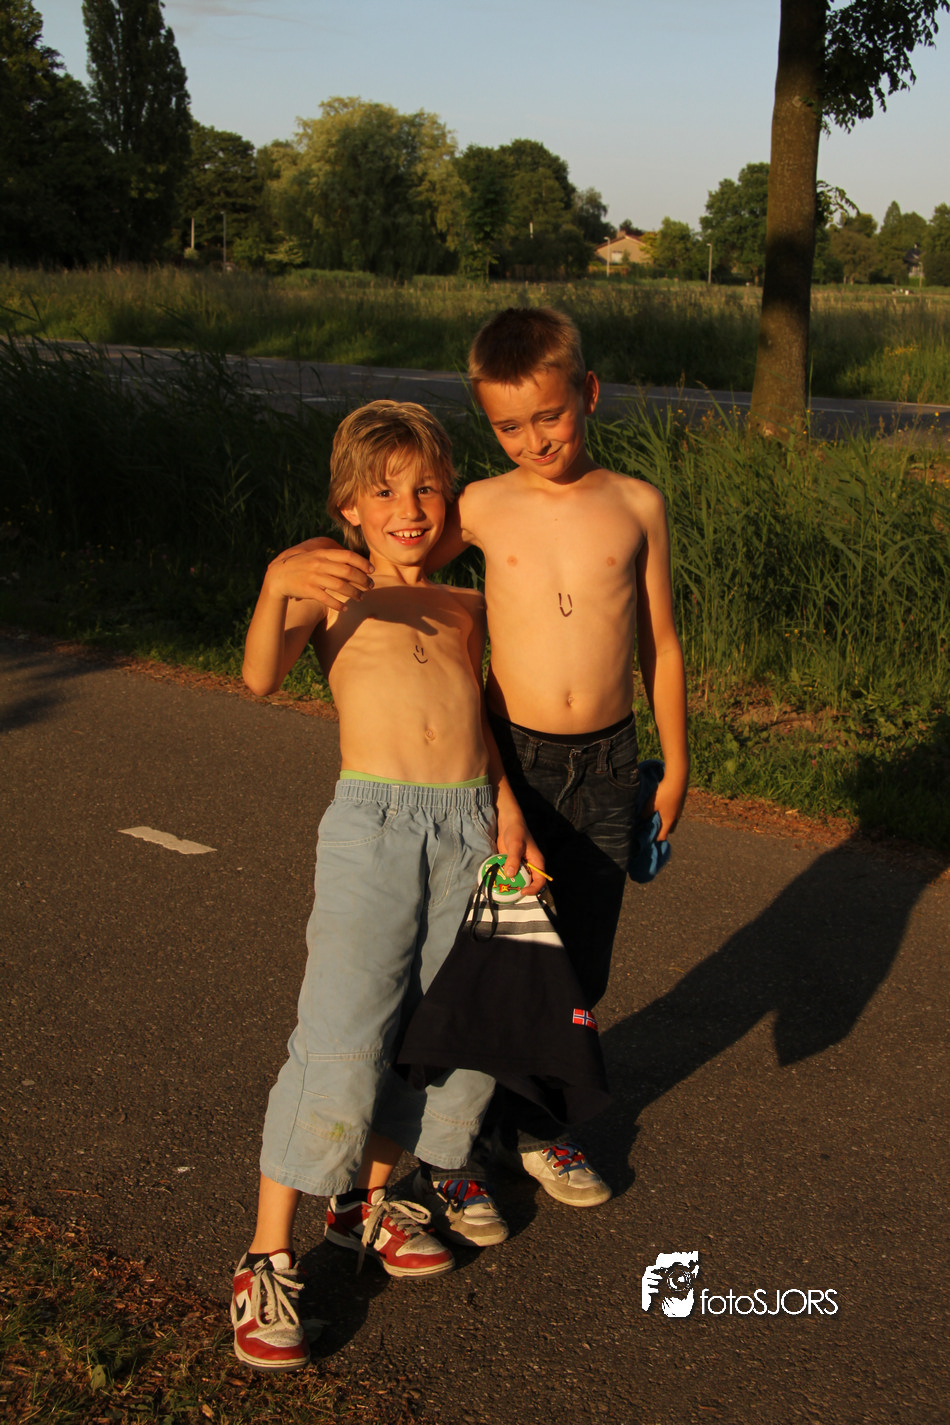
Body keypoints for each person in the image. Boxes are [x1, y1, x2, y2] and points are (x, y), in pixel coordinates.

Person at [230, 399, 542, 1374]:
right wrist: (277, 582)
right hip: (374, 828)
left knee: (444, 1027)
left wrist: (509, 812)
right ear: (349, 507)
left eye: (426, 488)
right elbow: (259, 677)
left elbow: (475, 720)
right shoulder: (334, 588)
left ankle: (362, 1206)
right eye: (385, 491)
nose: (408, 507)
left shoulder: (462, 604)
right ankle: (265, 1258)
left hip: (467, 824)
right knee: (344, 1029)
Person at [423, 306, 690, 1208]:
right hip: (516, 761)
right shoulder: (482, 505)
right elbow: (405, 561)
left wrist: (677, 764)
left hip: (611, 762)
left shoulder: (637, 503)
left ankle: (529, 1127)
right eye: (508, 426)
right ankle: (469, 1140)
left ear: (589, 392)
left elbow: (661, 643)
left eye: (550, 415)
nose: (534, 440)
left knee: (583, 964)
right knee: (504, 952)